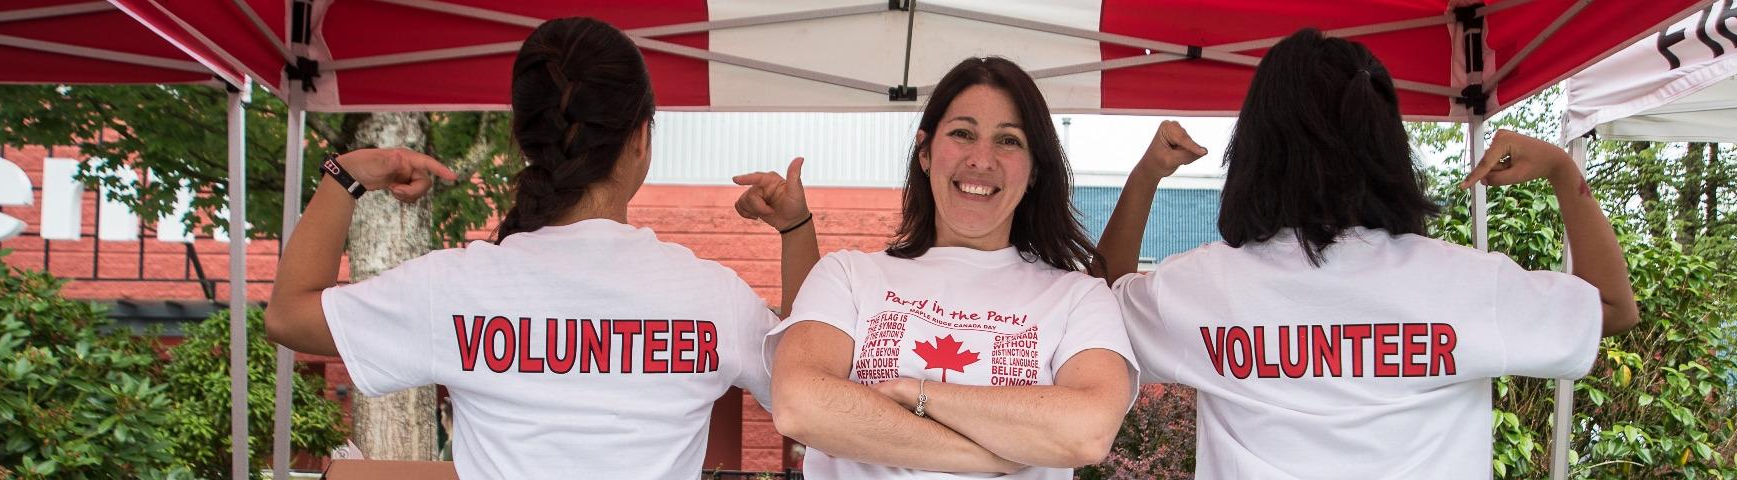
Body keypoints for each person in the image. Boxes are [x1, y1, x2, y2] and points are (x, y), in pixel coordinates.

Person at [1090, 28, 1641, 479]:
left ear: (1257, 145)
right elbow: (1612, 308)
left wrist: (1147, 175)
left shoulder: (1205, 285)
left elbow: (1105, 300)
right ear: (1386, 143)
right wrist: (1564, 172)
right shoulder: (1464, 281)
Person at [265, 17, 794, 479]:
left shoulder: (457, 288)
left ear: (523, 139)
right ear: (640, 138)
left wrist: (345, 175)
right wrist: (796, 229)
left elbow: (289, 315)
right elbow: (807, 373)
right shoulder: (709, 297)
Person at [737, 57, 1137, 479]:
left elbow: (1087, 432)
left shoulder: (1078, 296)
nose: (982, 159)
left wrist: (915, 393)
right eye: (963, 134)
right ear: (925, 152)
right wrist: (992, 455)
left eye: (1009, 141)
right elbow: (801, 405)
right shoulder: (848, 275)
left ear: (1035, 168)